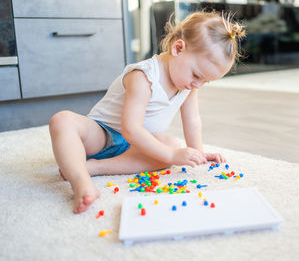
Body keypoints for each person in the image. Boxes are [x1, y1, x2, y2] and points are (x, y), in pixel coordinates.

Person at [49, 11, 246, 214]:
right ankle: (80, 180)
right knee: (62, 120)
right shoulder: (143, 76)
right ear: (178, 48)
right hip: (102, 135)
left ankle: (94, 168)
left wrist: (198, 152)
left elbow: (192, 119)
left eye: (206, 81)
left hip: (135, 147)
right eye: (196, 75)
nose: (198, 84)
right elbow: (131, 130)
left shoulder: (189, 86)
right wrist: (171, 155)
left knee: (171, 145)